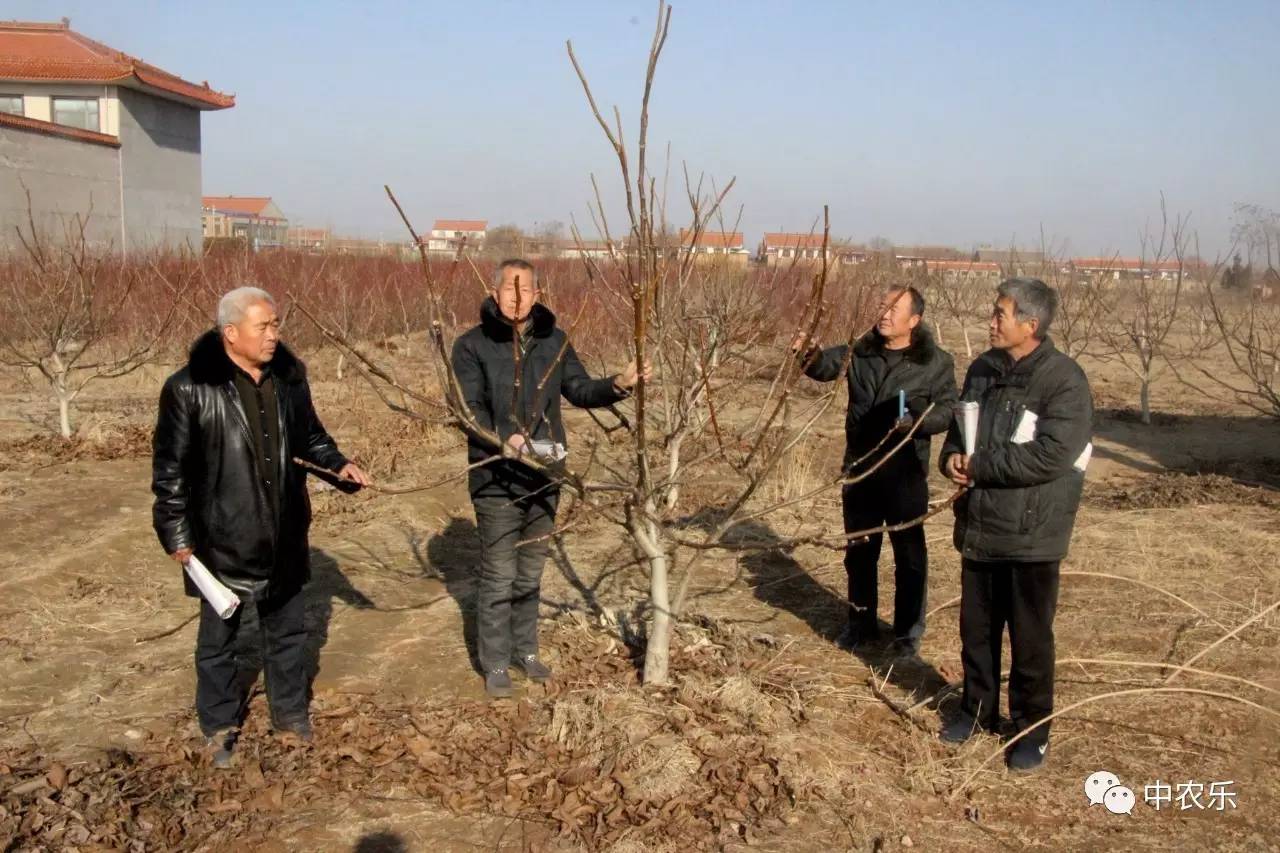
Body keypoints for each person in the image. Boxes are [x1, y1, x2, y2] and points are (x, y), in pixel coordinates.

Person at [152, 286, 370, 768]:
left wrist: (339, 466)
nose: (274, 335)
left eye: (276, 325)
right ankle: (218, 726)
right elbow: (170, 471)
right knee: (219, 644)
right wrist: (176, 536)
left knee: (289, 633)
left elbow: (311, 437)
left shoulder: (289, 381)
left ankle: (290, 716)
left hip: (285, 532)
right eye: (263, 326)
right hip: (221, 540)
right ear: (230, 333)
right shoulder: (190, 388)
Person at [451, 259, 650, 698]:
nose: (517, 298)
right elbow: (468, 411)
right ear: (494, 291)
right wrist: (507, 439)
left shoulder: (555, 341)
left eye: (525, 290)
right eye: (509, 289)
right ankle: (496, 661)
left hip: (545, 475)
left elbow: (578, 389)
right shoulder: (472, 345)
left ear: (538, 294)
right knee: (500, 573)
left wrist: (619, 383)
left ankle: (526, 651)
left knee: (530, 574)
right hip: (496, 477)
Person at [938, 277, 1092, 771]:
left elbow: (1051, 457)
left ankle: (1030, 730)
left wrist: (980, 467)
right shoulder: (982, 370)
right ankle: (975, 710)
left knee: (1029, 639)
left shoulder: (1064, 380)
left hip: (1032, 535)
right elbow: (961, 431)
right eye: (994, 311)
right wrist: (951, 462)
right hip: (981, 527)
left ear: (1031, 324)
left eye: (1001, 313)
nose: (992, 320)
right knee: (976, 631)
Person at [794, 286, 957, 656]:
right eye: (882, 306)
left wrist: (916, 421)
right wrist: (807, 353)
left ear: (914, 320)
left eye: (893, 309)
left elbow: (947, 409)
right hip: (861, 466)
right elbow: (823, 367)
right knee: (860, 550)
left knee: (909, 554)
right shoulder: (861, 350)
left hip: (905, 471)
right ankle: (860, 624)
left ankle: (907, 633)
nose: (883, 314)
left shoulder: (935, 362)